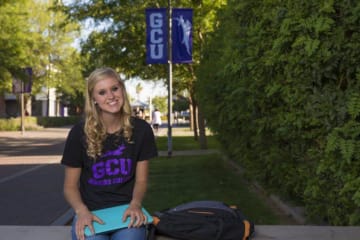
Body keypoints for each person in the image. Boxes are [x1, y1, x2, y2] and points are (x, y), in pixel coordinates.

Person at [61, 67, 158, 240]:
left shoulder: (141, 130)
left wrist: (135, 204)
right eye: (102, 92)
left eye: (114, 88)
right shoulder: (78, 133)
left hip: (126, 211)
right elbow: (69, 187)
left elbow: (142, 180)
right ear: (94, 99)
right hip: (91, 212)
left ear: (122, 89)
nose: (111, 96)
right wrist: (81, 211)